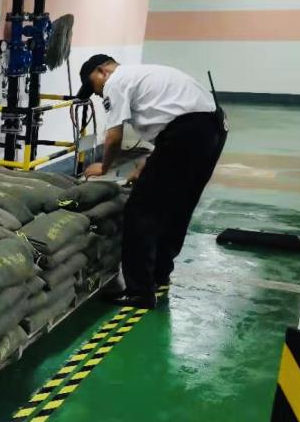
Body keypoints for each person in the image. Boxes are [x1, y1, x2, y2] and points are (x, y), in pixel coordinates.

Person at [77, 55, 228, 308]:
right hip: (212, 128)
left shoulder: (116, 82)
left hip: (188, 132)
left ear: (102, 71)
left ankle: (139, 291)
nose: (98, 93)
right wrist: (148, 163)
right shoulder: (144, 75)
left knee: (140, 211)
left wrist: (104, 167)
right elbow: (172, 121)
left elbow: (114, 137)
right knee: (178, 206)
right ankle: (160, 273)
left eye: (95, 87)